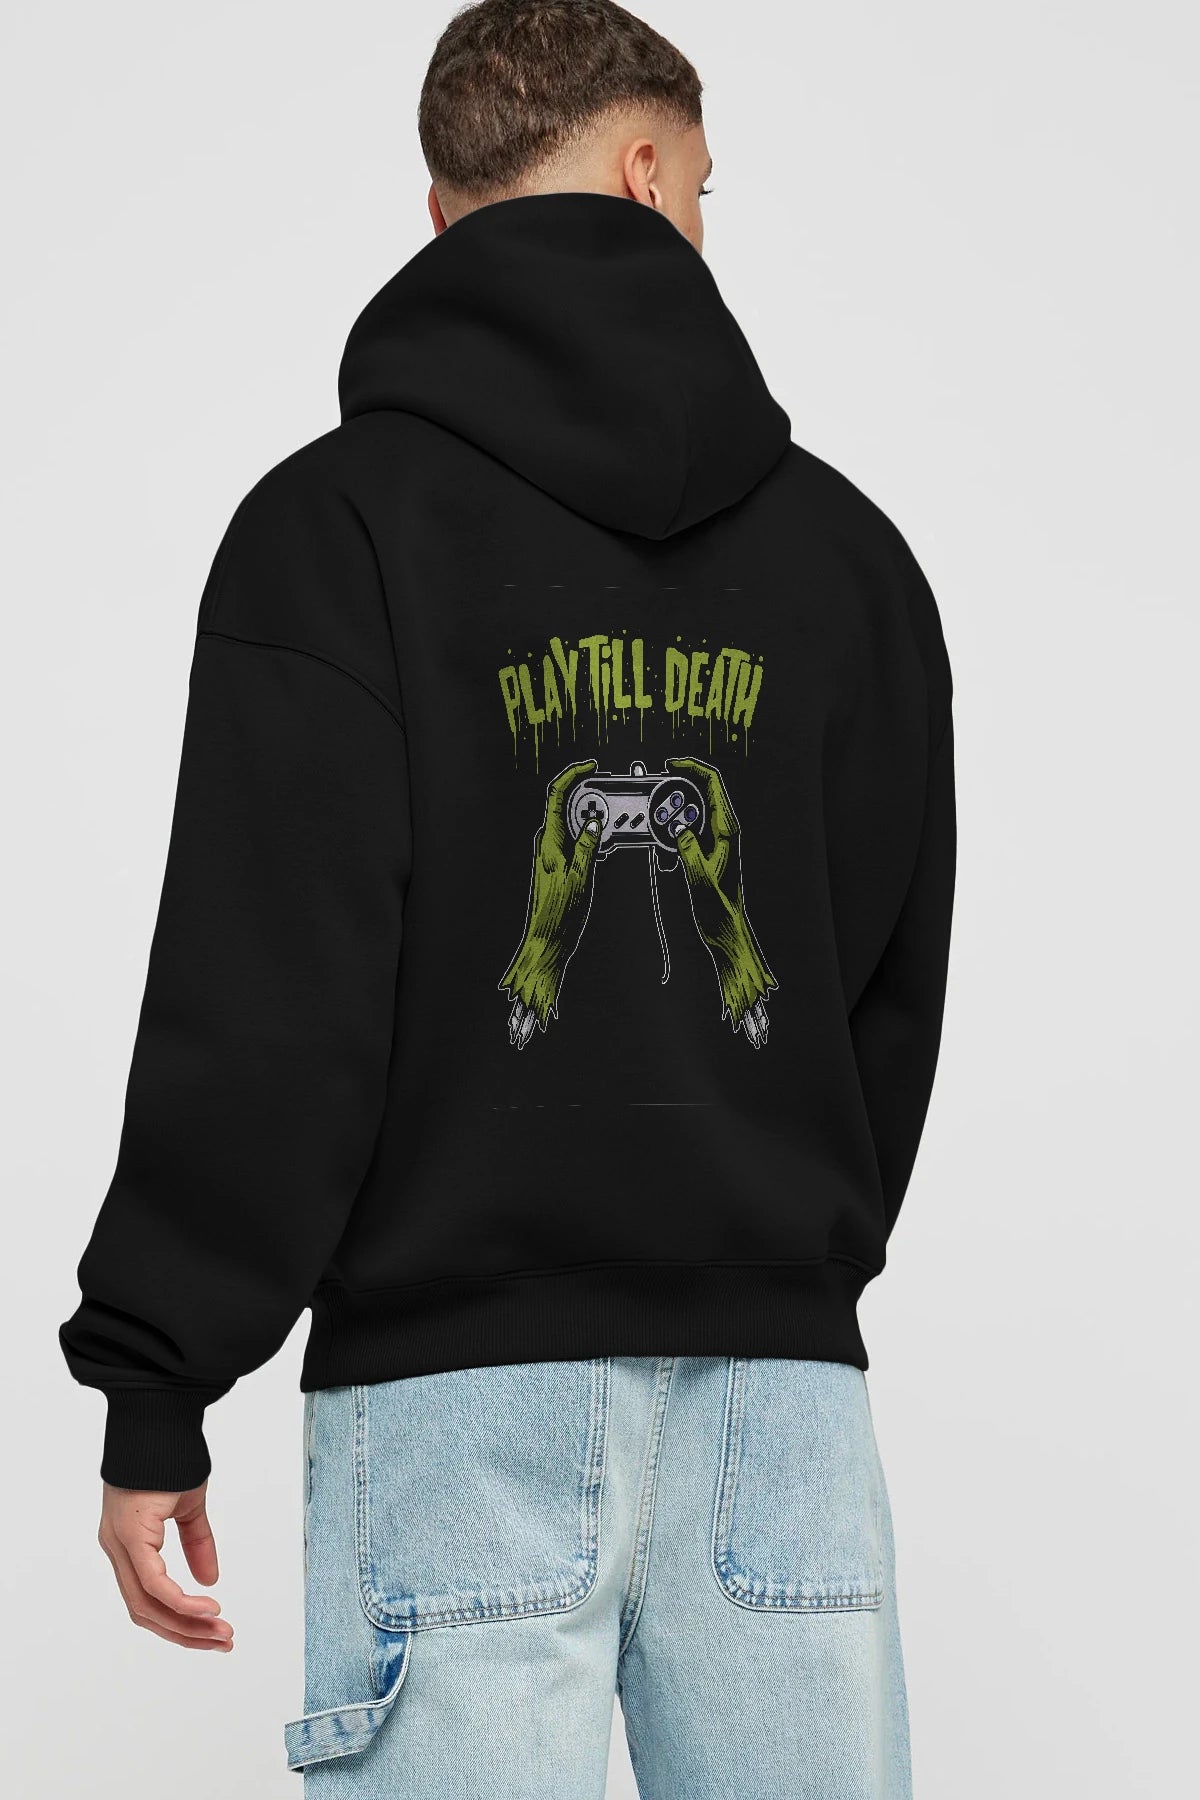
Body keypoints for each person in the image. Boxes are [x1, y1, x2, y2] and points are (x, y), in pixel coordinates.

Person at [60, 1, 955, 1794]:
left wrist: (163, 1374)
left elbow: (274, 986)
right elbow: (883, 982)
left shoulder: (335, 534)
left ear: (441, 215)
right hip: (780, 1401)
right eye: (705, 189)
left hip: (451, 1400)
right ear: (647, 170)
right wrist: (777, 1244)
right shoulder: (851, 559)